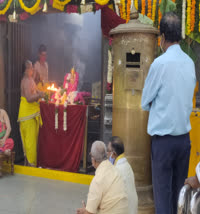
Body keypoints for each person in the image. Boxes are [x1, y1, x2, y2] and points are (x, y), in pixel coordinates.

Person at [141, 12, 196, 214]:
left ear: (162, 37)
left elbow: (145, 102)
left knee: (163, 200)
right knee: (178, 198)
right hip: (183, 141)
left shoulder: (159, 64)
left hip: (163, 142)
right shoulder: (189, 63)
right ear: (179, 36)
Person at [76, 141, 128, 214]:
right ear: (106, 155)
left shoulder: (97, 180)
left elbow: (89, 212)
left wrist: (85, 210)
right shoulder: (115, 169)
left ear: (93, 159)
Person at [18, 60, 44, 166]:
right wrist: (40, 96)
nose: (32, 69)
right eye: (30, 68)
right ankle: (31, 166)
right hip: (27, 116)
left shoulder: (30, 80)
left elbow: (35, 90)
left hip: (29, 115)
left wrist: (41, 93)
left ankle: (29, 164)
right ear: (26, 70)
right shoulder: (26, 81)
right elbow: (29, 98)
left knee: (31, 142)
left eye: (32, 67)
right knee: (30, 144)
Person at [107, 136, 138, 214]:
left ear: (113, 154)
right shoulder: (127, 165)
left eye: (108, 151)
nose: (107, 154)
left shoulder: (117, 170)